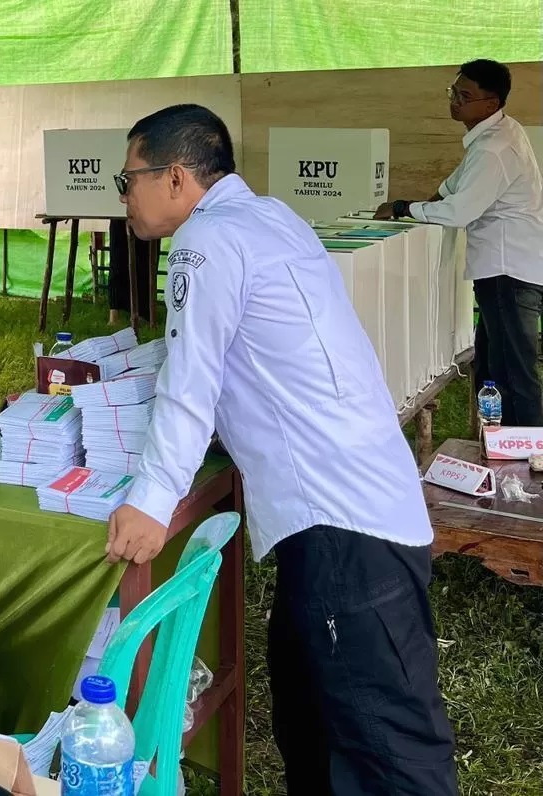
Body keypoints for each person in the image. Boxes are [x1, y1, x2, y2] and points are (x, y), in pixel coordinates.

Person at [106, 105, 457, 794]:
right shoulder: (268, 218)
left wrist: (151, 500)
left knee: (387, 747)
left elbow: (190, 379)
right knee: (313, 721)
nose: (123, 196)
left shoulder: (206, 242)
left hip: (341, 525)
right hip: (351, 512)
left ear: (175, 178)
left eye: (128, 178)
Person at [376, 59, 543, 427]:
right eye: (453, 91)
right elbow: (454, 185)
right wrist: (428, 202)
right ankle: (498, 448)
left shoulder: (493, 148)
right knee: (493, 368)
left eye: (464, 96)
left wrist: (404, 207)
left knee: (514, 376)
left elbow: (459, 211)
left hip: (508, 272)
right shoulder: (496, 134)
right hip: (506, 269)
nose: (454, 101)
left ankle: (530, 463)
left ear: (490, 103)